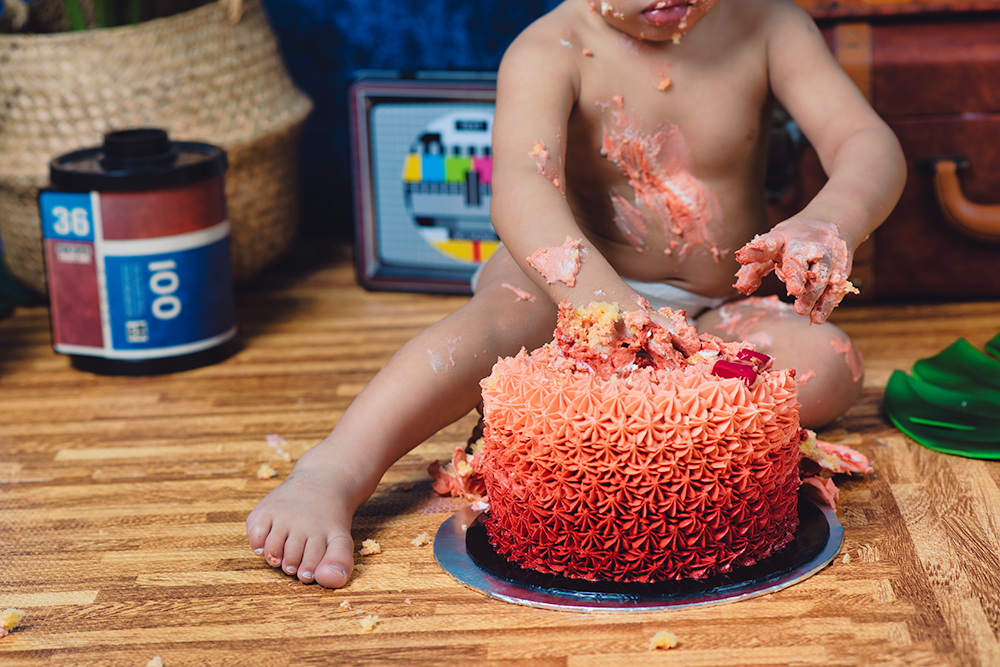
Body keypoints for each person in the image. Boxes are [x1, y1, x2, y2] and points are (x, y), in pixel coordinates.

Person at [246, 0, 906, 588]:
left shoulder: (767, 23)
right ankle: (332, 470)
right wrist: (603, 304)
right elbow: (522, 190)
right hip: (557, 285)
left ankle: (602, 429)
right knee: (489, 330)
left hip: (709, 306)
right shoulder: (548, 48)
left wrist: (831, 218)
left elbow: (866, 141)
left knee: (827, 362)